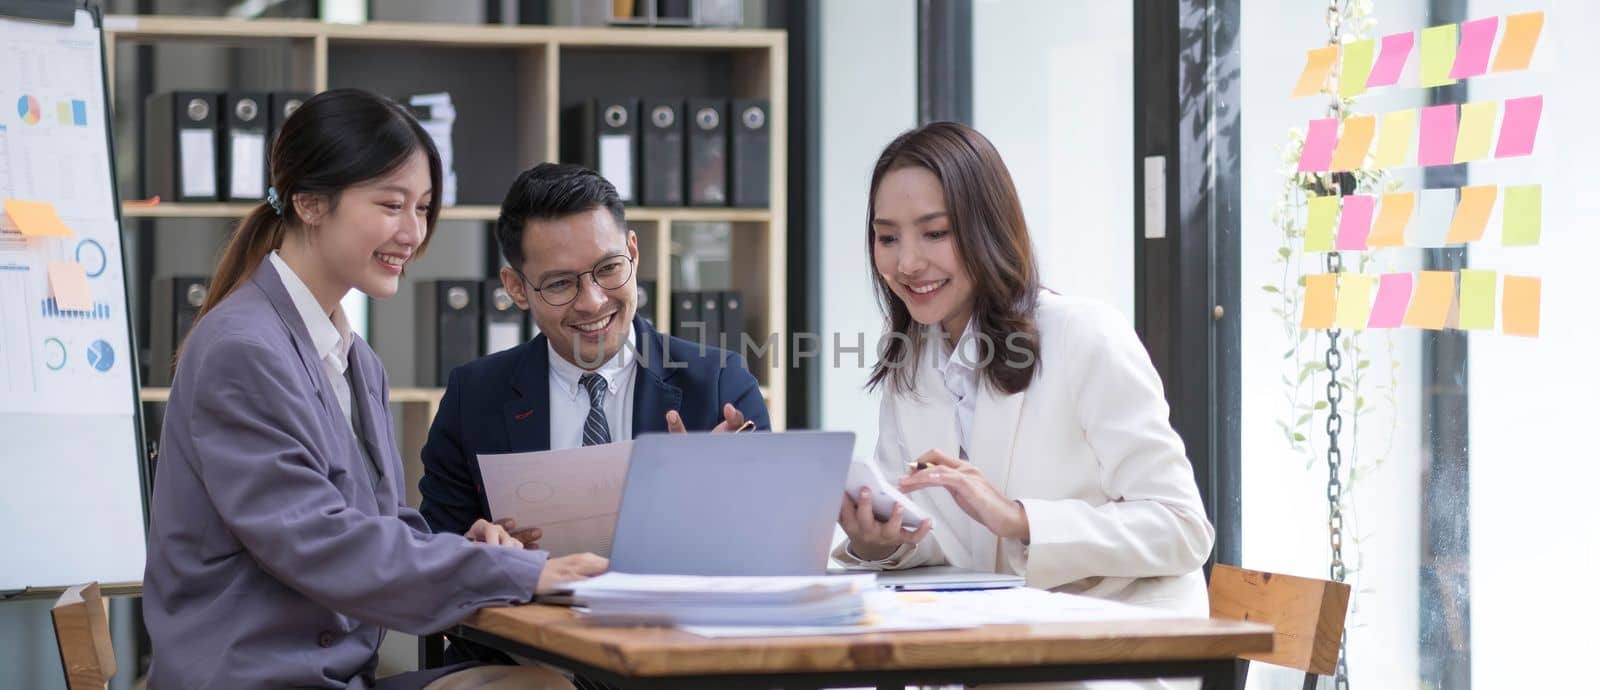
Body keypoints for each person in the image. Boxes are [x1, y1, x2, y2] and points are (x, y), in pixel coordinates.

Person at [143, 89, 606, 690]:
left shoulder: (355, 359)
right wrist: (519, 573)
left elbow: (371, 523)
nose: (413, 232)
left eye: (424, 208)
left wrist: (470, 547)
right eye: (392, 205)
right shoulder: (243, 349)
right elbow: (320, 541)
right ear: (310, 202)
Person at [834, 122, 1215, 688]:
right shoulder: (911, 365)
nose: (907, 262)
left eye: (934, 233)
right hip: (987, 655)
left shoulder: (1086, 336)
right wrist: (879, 544)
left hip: (1109, 659)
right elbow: (946, 546)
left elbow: (1183, 529)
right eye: (887, 238)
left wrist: (1020, 519)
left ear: (987, 228)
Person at [418, 162, 770, 663]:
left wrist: (716, 505)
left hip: (677, 663)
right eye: (560, 284)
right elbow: (430, 562)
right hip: (523, 668)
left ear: (632, 251)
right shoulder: (474, 397)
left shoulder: (718, 386)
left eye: (608, 268)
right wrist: (476, 553)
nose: (593, 301)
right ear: (517, 288)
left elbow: (770, 557)